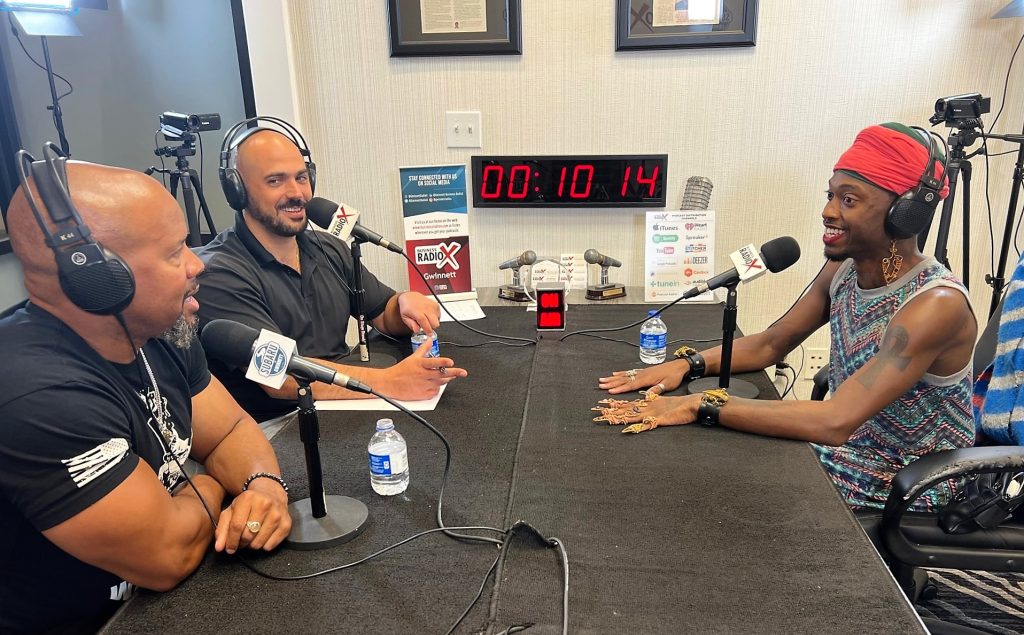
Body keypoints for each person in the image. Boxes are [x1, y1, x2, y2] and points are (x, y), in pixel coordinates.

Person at [595, 122, 977, 511]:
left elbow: (835, 420)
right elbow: (772, 343)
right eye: (831, 195)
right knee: (711, 451)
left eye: (849, 200)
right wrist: (687, 365)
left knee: (722, 473)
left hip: (909, 479)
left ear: (905, 214)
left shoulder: (935, 304)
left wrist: (701, 405)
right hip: (848, 448)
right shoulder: (844, 268)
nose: (828, 211)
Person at [0, 156, 292, 633]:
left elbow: (230, 431)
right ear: (97, 277)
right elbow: (168, 555)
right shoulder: (36, 392)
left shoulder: (160, 329)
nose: (197, 263)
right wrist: (213, 485)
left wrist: (262, 488)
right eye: (175, 252)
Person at [195, 125, 467, 422]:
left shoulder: (328, 247)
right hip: (277, 423)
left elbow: (382, 313)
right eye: (275, 181)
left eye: (301, 178)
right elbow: (280, 377)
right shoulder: (217, 273)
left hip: (346, 401)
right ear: (237, 190)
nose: (296, 193)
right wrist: (389, 382)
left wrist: (405, 303)